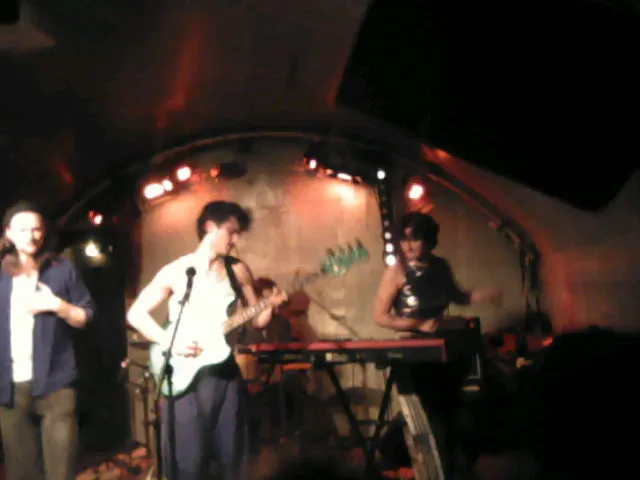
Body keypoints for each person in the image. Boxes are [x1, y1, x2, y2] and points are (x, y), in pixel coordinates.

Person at [126, 200, 287, 480]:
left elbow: (257, 320)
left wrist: (270, 305)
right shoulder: (178, 270)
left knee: (235, 460)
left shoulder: (238, 270)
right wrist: (170, 343)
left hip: (225, 375)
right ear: (210, 228)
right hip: (185, 381)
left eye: (238, 234)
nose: (235, 241)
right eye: (231, 232)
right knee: (188, 464)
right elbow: (136, 313)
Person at [373, 211, 501, 478]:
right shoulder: (396, 271)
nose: (407, 246)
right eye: (404, 239)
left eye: (414, 239)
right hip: (413, 351)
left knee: (450, 413)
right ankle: (416, 466)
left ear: (429, 241)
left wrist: (485, 295)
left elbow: (460, 297)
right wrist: (418, 325)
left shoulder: (440, 267)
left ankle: (452, 470)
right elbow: (380, 316)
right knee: (427, 417)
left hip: (443, 349)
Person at [0, 201, 96, 480]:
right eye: (23, 230)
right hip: (9, 388)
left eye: (36, 229)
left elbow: (86, 316)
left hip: (56, 383)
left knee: (61, 472)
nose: (31, 236)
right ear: (9, 233)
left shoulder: (62, 268)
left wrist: (58, 306)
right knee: (21, 473)